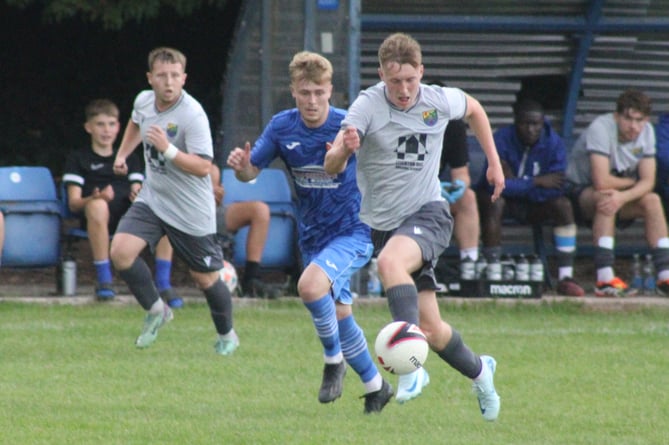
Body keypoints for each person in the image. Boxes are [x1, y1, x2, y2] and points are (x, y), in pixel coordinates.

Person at [324, 33, 503, 421]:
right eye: (394, 81)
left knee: (390, 264)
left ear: (421, 72)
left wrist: (493, 162)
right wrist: (344, 148)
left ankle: (411, 369)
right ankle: (481, 372)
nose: (404, 90)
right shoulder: (366, 106)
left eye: (410, 80)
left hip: (428, 213)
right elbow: (331, 165)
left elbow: (475, 110)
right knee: (433, 329)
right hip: (383, 224)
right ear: (381, 75)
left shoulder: (437, 100)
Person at [227, 51, 393, 414]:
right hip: (314, 235)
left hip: (355, 230)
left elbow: (342, 167)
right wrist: (242, 168)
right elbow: (251, 173)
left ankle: (333, 361)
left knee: (308, 286)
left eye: (319, 92)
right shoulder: (282, 127)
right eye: (305, 93)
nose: (313, 100)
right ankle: (376, 386)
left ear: (330, 90)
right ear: (293, 92)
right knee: (340, 313)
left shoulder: (347, 125)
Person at [110, 47, 238, 354]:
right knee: (121, 253)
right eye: (162, 75)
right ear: (150, 78)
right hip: (154, 198)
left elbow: (204, 167)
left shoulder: (192, 115)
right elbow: (135, 122)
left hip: (190, 209)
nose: (168, 82)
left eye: (174, 76)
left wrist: (167, 149)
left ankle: (227, 335)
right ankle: (157, 310)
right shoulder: (143, 100)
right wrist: (122, 154)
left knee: (204, 278)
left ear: (184, 78)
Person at [63, 99, 182, 305]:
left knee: (163, 208)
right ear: (88, 128)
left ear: (119, 127)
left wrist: (139, 194)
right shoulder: (78, 158)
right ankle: (104, 280)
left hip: (129, 219)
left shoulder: (130, 158)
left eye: (111, 124)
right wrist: (95, 198)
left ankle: (163, 284)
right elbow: (73, 202)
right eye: (100, 124)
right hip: (95, 218)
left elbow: (138, 187)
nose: (106, 130)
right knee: (98, 207)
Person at [475, 98, 585, 296]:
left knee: (563, 205)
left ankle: (565, 277)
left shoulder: (554, 143)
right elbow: (494, 185)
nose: (531, 129)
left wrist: (516, 183)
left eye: (536, 124)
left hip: (535, 204)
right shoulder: (500, 139)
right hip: (504, 203)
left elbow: (557, 187)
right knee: (495, 202)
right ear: (516, 122)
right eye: (525, 123)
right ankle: (492, 271)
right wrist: (536, 181)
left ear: (543, 123)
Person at [566, 88, 669, 297]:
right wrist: (631, 183)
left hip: (620, 194)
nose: (634, 126)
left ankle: (665, 275)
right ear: (617, 116)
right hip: (579, 195)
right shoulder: (601, 128)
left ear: (646, 119)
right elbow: (601, 181)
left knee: (652, 200)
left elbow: (649, 181)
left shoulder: (647, 132)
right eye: (628, 119)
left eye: (639, 120)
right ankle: (604, 278)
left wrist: (624, 194)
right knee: (607, 197)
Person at [210, 163, 277, 298]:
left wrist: (216, 197)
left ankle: (251, 279)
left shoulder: (211, 167)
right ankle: (163, 284)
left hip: (210, 214)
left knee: (260, 210)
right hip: (183, 213)